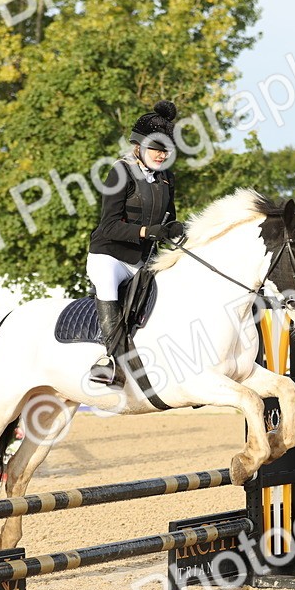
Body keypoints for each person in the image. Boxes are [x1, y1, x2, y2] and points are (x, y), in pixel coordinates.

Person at [86, 100, 182, 386]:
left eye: (166, 150)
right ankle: (108, 360)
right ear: (139, 146)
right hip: (110, 256)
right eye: (156, 149)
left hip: (142, 260)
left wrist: (174, 229)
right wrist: (145, 232)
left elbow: (168, 219)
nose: (162, 155)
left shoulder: (166, 178)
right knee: (106, 284)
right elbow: (109, 225)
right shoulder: (121, 171)